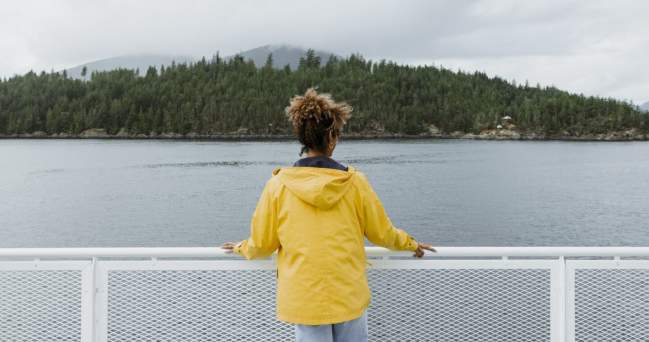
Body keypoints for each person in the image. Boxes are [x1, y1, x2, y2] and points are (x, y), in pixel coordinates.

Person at [221, 88, 435, 342]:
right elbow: (383, 233)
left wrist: (240, 247)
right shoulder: (355, 182)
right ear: (332, 138)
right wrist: (410, 244)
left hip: (304, 298)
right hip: (348, 293)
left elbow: (262, 245)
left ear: (303, 139)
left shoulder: (278, 185)